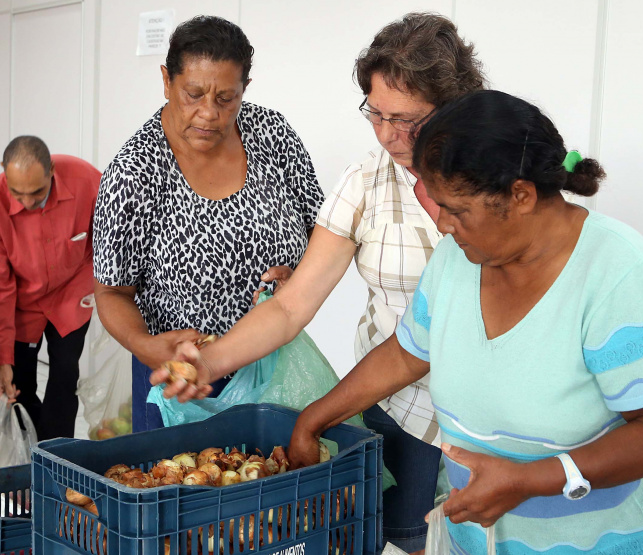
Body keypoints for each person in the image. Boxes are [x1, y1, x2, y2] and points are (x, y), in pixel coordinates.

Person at [282, 90, 643, 553]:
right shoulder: (457, 260)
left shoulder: (618, 275)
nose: (442, 224)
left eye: (456, 210)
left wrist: (531, 479)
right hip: (479, 541)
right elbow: (407, 353)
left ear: (520, 195)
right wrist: (312, 421)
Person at [152, 13, 484, 551]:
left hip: (493, 414)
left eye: (407, 120)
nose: (389, 135)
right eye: (375, 114)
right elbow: (290, 307)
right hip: (401, 404)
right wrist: (210, 362)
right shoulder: (367, 181)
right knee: (403, 536)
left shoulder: (496, 176)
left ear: (454, 105)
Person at [92, 15, 324, 432]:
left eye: (226, 98)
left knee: (268, 486)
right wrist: (145, 346)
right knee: (182, 487)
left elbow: (319, 231)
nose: (208, 113)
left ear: (244, 90)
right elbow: (111, 292)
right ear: (167, 81)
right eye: (193, 94)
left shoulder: (271, 134)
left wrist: (299, 274)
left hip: (276, 368)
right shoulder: (135, 173)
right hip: (184, 381)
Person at [0, 135, 100, 441]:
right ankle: (25, 464)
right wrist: (2, 358)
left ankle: (56, 464)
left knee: (64, 380)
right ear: (4, 171)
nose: (28, 202)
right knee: (14, 388)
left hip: (70, 293)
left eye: (38, 192)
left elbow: (111, 240)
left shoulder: (87, 181)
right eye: (18, 193)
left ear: (52, 170)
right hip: (17, 302)